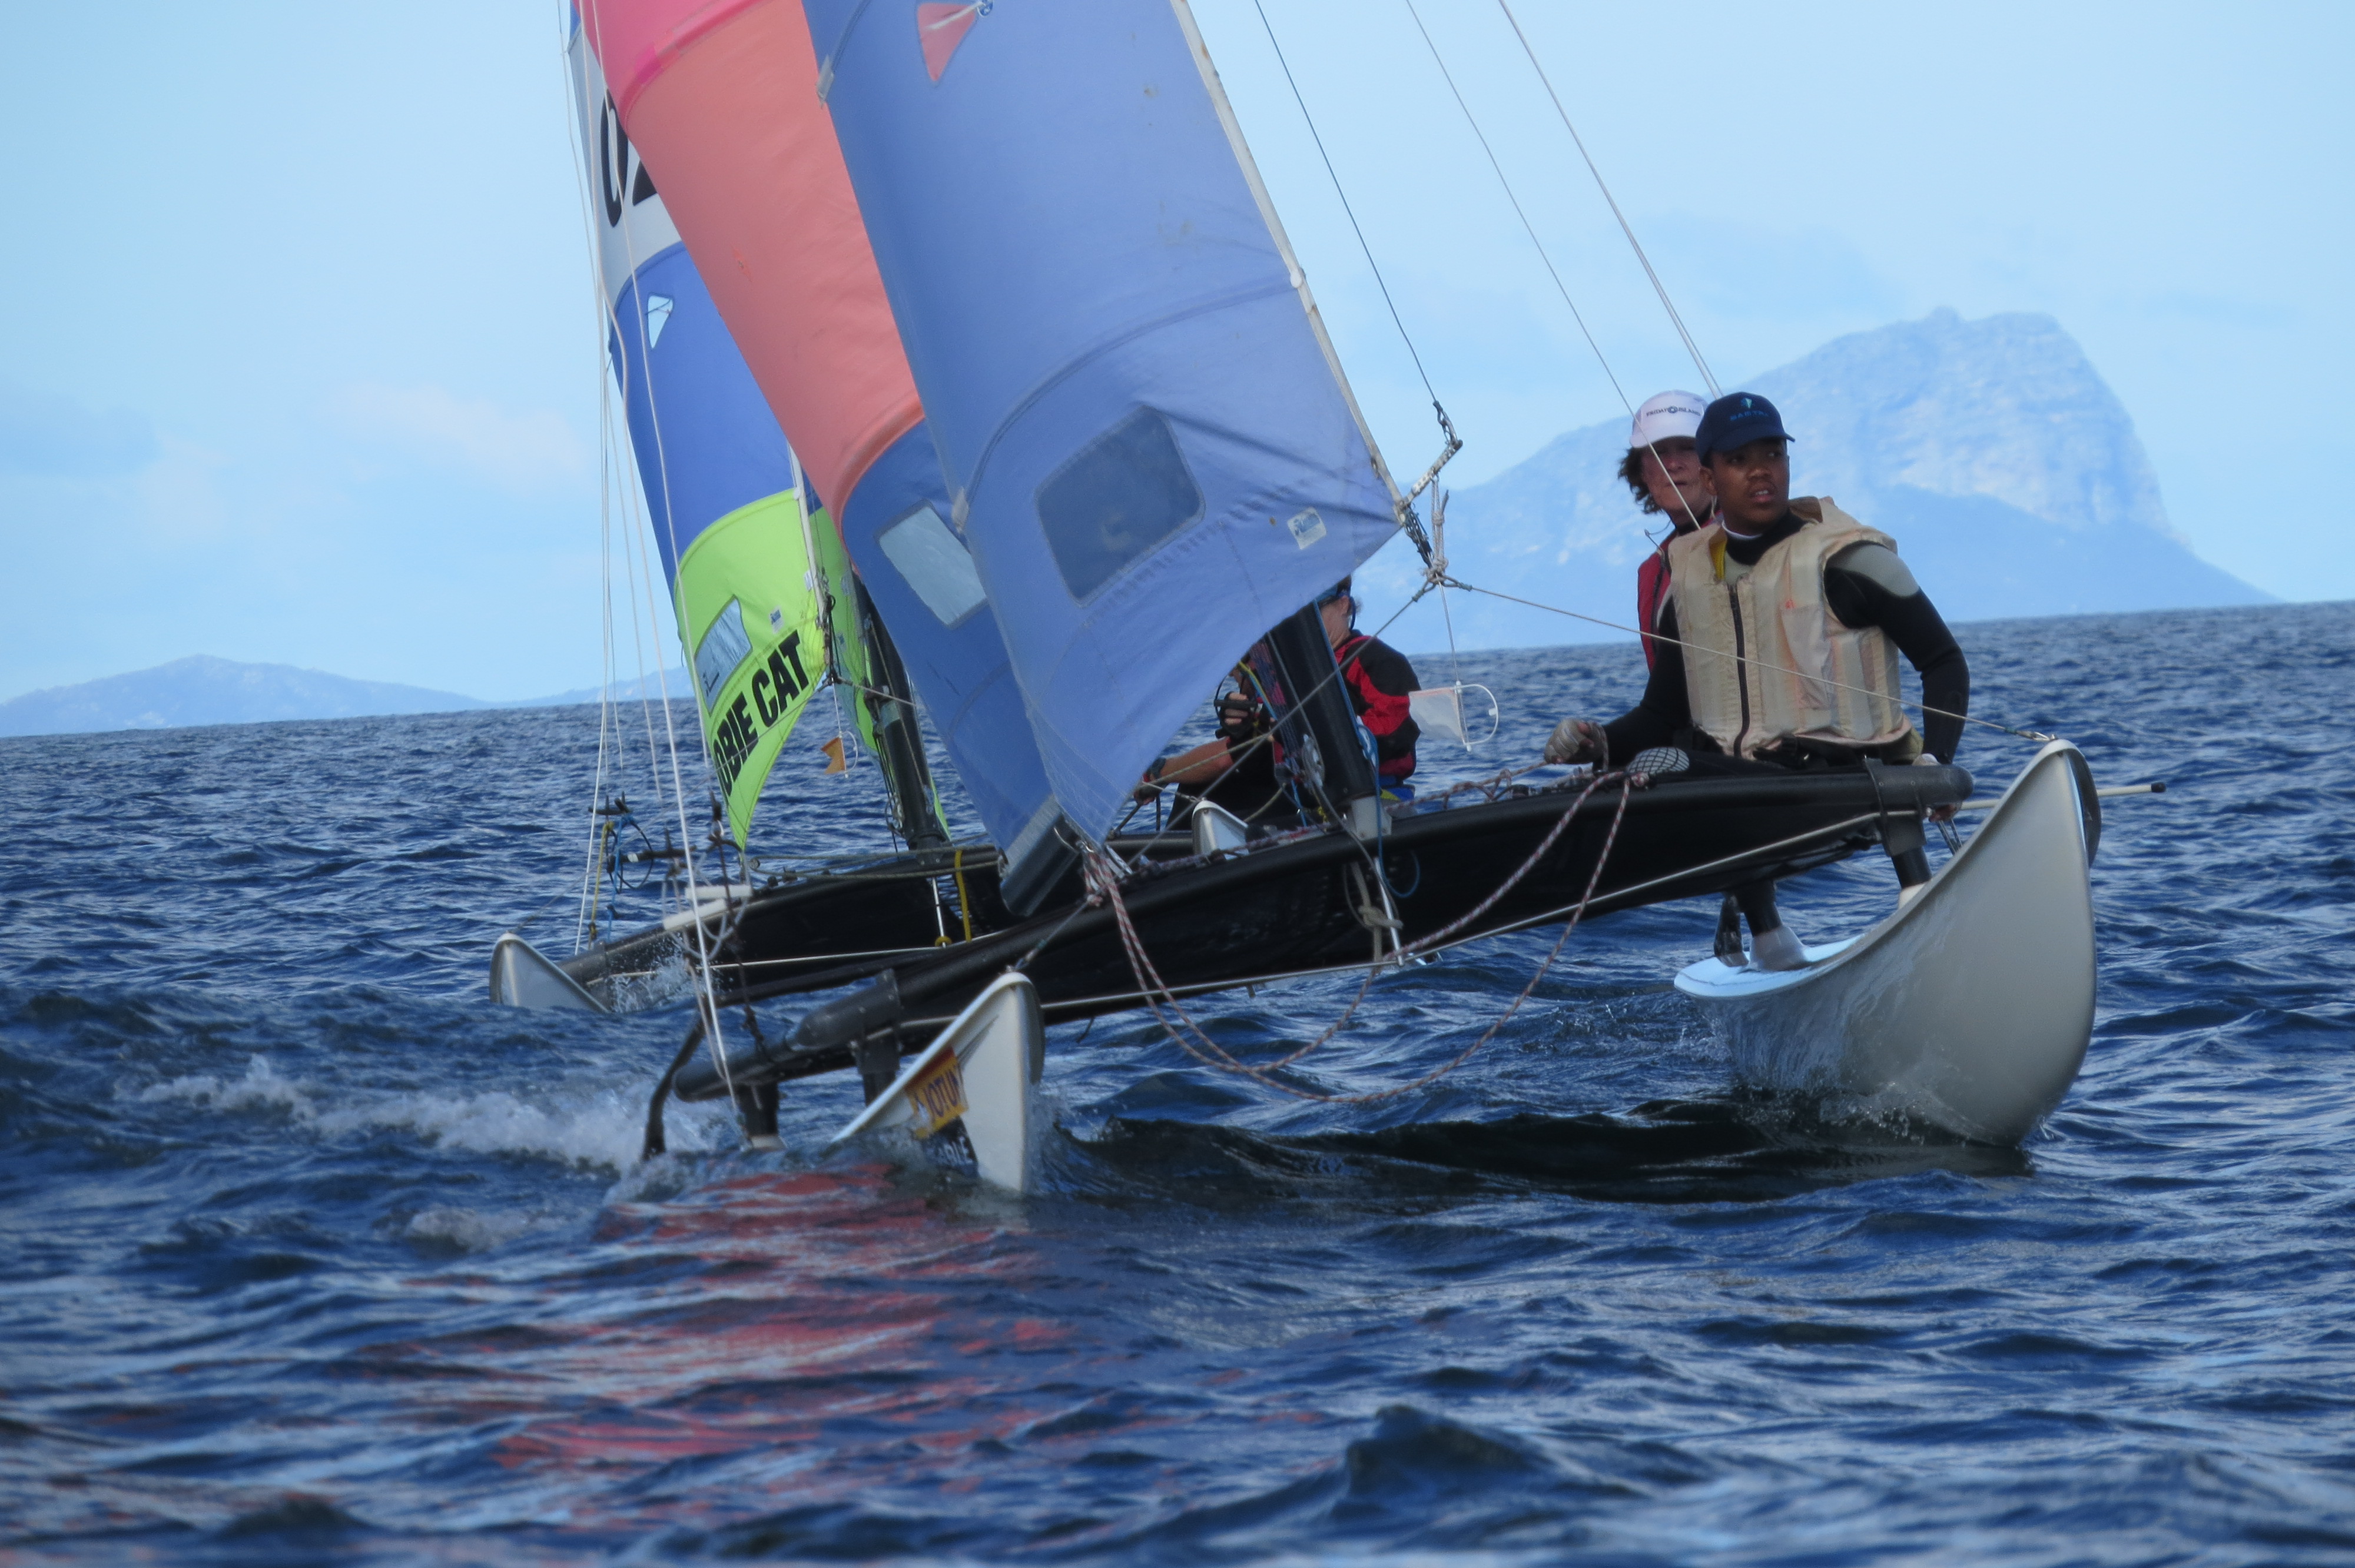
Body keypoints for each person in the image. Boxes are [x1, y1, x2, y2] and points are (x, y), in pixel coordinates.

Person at [1545, 391, 1968, 778]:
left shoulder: (1853, 563)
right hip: (1740, 788)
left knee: (1663, 766)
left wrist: (1935, 761)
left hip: (1840, 781)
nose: (1761, 470)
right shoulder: (1689, 585)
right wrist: (1596, 742)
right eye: (1739, 460)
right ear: (1711, 480)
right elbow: (1662, 715)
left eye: (1773, 454)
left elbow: (1943, 660)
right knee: (1629, 774)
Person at [1139, 579, 1421, 815]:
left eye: (1311, 612)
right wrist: (1245, 729)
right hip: (1308, 803)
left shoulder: (1375, 659)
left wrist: (1301, 732)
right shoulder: (1288, 676)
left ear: (1343, 605)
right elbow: (1253, 758)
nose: (1301, 625)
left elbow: (1394, 735)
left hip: (1375, 800)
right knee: (1203, 797)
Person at [1618, 390, 1716, 669]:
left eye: (1687, 448)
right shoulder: (1654, 570)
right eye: (1659, 452)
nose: (1673, 464)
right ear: (1641, 471)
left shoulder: (1753, 541)